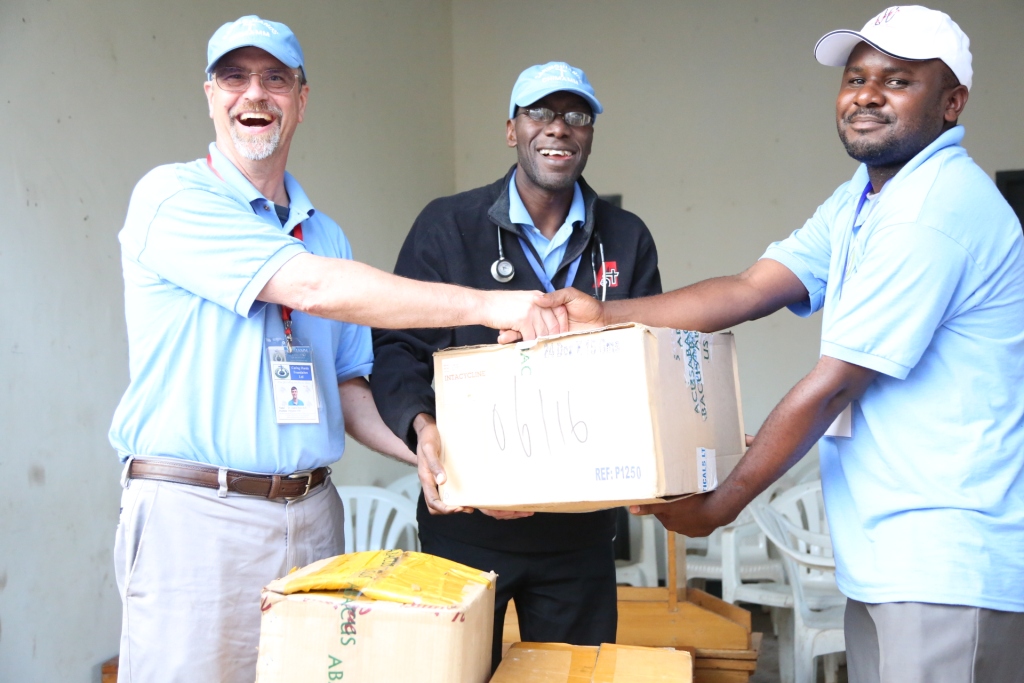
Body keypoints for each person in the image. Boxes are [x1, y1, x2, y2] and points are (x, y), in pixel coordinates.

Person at [542, 7, 1024, 682]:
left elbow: (833, 385)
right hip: (889, 557)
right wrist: (600, 315)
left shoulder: (933, 208)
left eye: (897, 80)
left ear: (952, 102)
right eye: (855, 77)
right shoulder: (866, 198)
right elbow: (751, 287)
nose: (866, 94)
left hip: (946, 560)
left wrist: (718, 506)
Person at [109, 16, 564, 683]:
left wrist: (439, 454)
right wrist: (495, 305)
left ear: (301, 99)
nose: (254, 93)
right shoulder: (173, 197)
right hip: (201, 515)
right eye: (234, 77)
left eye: (275, 78)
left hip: (315, 516)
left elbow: (349, 388)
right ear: (209, 95)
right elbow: (312, 287)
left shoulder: (325, 235)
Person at [371, 61, 662, 672]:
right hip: (465, 527)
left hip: (580, 535)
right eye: (539, 112)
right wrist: (422, 427)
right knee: (453, 674)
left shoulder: (626, 237)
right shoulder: (447, 226)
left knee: (574, 676)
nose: (558, 127)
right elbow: (397, 349)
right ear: (511, 129)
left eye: (576, 115)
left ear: (590, 133)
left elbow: (646, 360)